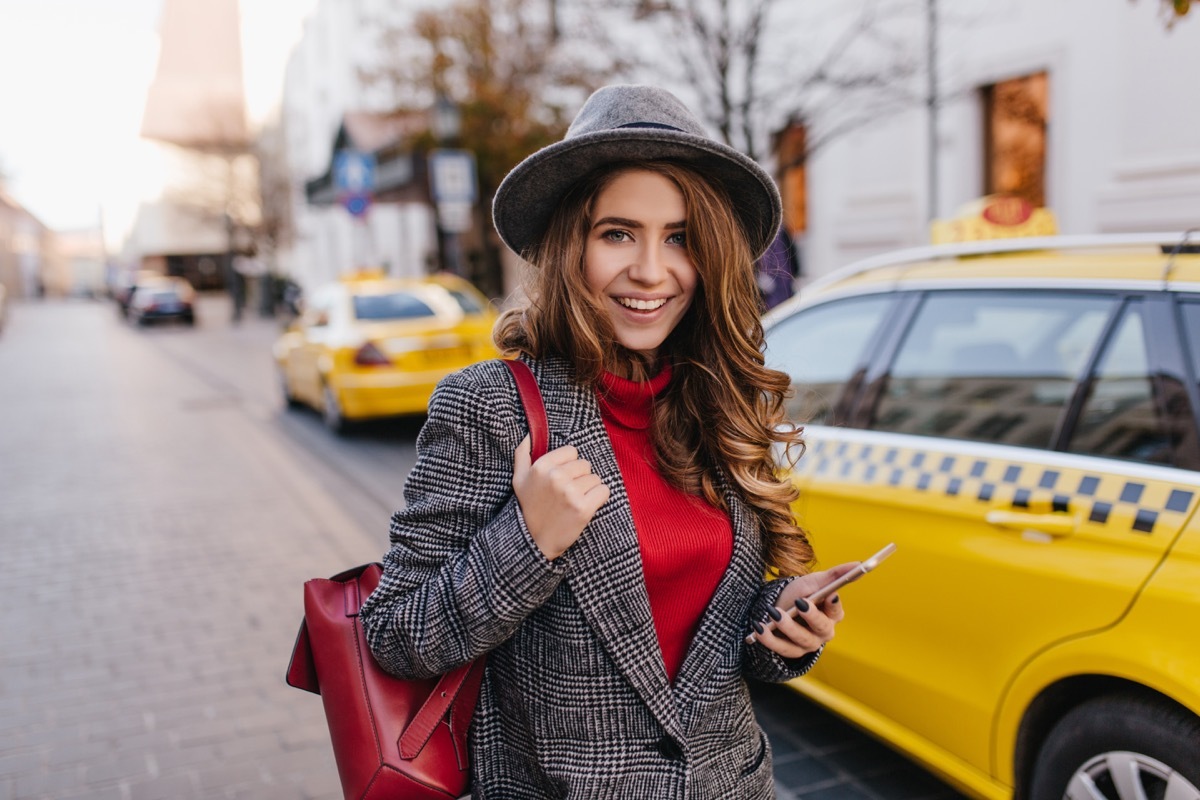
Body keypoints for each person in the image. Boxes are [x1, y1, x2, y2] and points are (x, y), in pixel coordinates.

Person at [359, 84, 854, 799]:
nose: (652, 270)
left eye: (679, 237)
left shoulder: (714, 397)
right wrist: (528, 543)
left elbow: (695, 645)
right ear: (571, 246)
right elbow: (395, 634)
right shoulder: (490, 406)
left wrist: (781, 626)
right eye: (617, 233)